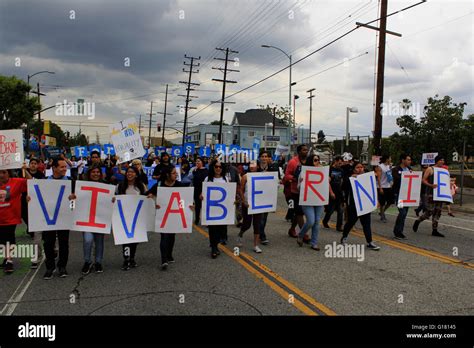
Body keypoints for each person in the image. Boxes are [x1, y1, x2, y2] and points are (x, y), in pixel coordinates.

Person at [30, 158, 76, 279]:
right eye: (62, 167)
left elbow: (75, 203)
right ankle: (50, 267)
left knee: (63, 243)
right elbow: (36, 197)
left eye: (65, 167)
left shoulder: (70, 181)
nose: (65, 169)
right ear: (54, 168)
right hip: (48, 218)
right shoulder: (44, 181)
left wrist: (73, 200)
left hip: (64, 217)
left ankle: (62, 266)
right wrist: (29, 199)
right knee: (48, 243)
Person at [147, 165, 193, 270]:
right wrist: (152, 197)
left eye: (176, 172)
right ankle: (164, 259)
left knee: (171, 235)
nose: (176, 174)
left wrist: (190, 205)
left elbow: (184, 200)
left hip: (174, 216)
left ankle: (169, 254)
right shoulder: (159, 185)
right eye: (173, 173)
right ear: (167, 174)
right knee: (164, 236)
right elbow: (147, 195)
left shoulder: (179, 185)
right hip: (163, 216)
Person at [297, 155, 335, 250]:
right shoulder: (303, 172)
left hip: (319, 199)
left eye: (318, 160)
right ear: (310, 161)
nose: (317, 162)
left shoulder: (322, 171)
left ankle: (314, 243)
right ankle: (301, 234)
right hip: (308, 200)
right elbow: (298, 188)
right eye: (315, 160)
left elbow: (327, 183)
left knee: (317, 222)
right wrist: (301, 183)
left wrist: (330, 189)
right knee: (310, 221)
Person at [340, 162, 380, 250]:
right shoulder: (350, 177)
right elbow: (343, 187)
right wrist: (350, 178)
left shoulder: (367, 178)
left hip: (365, 204)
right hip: (354, 205)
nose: (360, 169)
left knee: (366, 224)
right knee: (351, 222)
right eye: (357, 167)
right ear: (354, 169)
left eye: (361, 167)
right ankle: (344, 238)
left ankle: (370, 242)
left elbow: (372, 190)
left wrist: (375, 201)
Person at [115, 166, 147, 270]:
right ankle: (126, 259)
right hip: (123, 217)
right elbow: (115, 197)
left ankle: (132, 258)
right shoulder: (120, 186)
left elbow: (146, 199)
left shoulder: (141, 186)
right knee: (125, 240)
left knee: (135, 240)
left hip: (136, 217)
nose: (130, 174)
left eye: (132, 172)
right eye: (128, 172)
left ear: (136, 174)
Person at [0, 165, 32, 274]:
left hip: (11, 217)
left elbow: (31, 182)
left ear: (9, 173)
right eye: (0, 172)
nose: (1, 175)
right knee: (2, 240)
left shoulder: (16, 182)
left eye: (4, 172)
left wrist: (25, 170)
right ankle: (6, 257)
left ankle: (9, 260)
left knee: (8, 237)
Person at [81, 165, 109, 274]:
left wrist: (112, 199)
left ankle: (98, 262)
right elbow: (74, 204)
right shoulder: (82, 186)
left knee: (99, 241)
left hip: (100, 218)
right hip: (86, 219)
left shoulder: (105, 185)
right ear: (89, 173)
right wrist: (72, 199)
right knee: (87, 240)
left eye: (98, 172)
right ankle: (87, 261)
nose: (96, 174)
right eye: (93, 172)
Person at [413, 155, 447, 237]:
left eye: (443, 160)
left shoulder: (443, 170)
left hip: (440, 194)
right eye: (441, 160)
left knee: (438, 212)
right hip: (431, 194)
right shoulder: (430, 169)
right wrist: (431, 185)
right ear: (437, 161)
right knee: (430, 211)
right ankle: (418, 220)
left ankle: (434, 230)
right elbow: (423, 180)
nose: (442, 162)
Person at [21, 158, 45, 268]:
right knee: (26, 218)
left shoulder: (41, 175)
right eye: (31, 163)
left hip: (39, 203)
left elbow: (33, 182)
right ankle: (37, 256)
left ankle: (52, 249)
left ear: (38, 165)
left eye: (35, 163)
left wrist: (25, 171)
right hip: (26, 201)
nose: (33, 165)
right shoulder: (21, 173)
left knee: (45, 232)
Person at [202, 160, 229, 258]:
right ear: (213, 167)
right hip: (211, 209)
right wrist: (202, 196)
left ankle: (215, 245)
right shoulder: (208, 179)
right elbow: (203, 192)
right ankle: (213, 248)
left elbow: (229, 193)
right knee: (213, 229)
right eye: (216, 167)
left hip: (222, 210)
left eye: (220, 167)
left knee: (220, 229)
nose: (218, 169)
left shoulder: (225, 179)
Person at [283, 144, 310, 242]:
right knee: (299, 212)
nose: (306, 152)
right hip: (292, 191)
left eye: (306, 150)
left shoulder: (308, 161)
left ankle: (291, 229)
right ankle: (304, 234)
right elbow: (287, 175)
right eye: (303, 150)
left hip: (305, 191)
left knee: (297, 212)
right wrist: (295, 178)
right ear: (299, 152)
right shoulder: (293, 162)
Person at [237, 160, 263, 253]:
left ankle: (256, 245)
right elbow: (241, 190)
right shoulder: (245, 176)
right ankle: (240, 234)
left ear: (258, 166)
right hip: (247, 204)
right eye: (250, 164)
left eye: (254, 164)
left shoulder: (262, 176)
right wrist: (244, 201)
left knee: (257, 224)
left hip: (258, 204)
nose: (252, 166)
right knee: (247, 224)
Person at [257, 150, 277, 245]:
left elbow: (276, 182)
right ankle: (258, 233)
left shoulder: (273, 168)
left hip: (266, 196)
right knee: (256, 218)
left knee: (264, 217)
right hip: (256, 195)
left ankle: (261, 234)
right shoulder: (255, 167)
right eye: (262, 156)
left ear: (269, 158)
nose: (264, 158)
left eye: (266, 156)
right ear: (259, 157)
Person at [391, 154, 412, 239]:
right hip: (399, 194)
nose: (409, 161)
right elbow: (397, 179)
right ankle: (397, 231)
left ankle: (400, 231)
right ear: (403, 160)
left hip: (407, 194)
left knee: (405, 213)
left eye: (410, 160)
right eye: (408, 159)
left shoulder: (410, 169)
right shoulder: (396, 169)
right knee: (402, 212)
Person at [322, 156, 344, 231]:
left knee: (340, 210)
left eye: (341, 163)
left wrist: (341, 191)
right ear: (335, 161)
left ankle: (339, 226)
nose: (340, 164)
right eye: (339, 163)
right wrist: (330, 192)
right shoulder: (329, 169)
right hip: (331, 192)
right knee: (330, 210)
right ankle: (325, 221)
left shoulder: (341, 170)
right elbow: (327, 181)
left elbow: (341, 181)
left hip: (338, 192)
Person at [188, 157, 208, 225]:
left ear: (202, 162)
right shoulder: (194, 169)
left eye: (199, 161)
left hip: (204, 190)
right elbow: (189, 177)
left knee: (204, 205)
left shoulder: (206, 170)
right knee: (197, 206)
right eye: (196, 161)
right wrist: (194, 171)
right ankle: (197, 219)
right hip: (196, 189)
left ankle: (206, 220)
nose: (197, 163)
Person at [376, 155, 393, 223]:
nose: (390, 160)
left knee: (390, 201)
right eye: (390, 158)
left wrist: (391, 182)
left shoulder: (389, 166)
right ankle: (382, 216)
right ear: (387, 159)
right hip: (382, 186)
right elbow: (379, 178)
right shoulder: (380, 167)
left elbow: (389, 176)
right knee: (382, 203)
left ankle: (382, 212)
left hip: (388, 186)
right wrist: (380, 188)